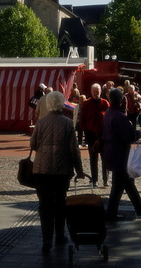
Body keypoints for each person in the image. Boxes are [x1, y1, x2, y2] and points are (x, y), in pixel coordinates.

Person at [30, 91, 86, 253]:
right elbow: (74, 150)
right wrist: (79, 170)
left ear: (48, 104)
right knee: (60, 203)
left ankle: (46, 238)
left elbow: (33, 144)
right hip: (62, 170)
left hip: (42, 169)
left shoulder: (41, 122)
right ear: (62, 104)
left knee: (45, 205)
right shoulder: (67, 123)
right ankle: (60, 234)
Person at [101, 87, 141, 221]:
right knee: (118, 186)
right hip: (120, 153)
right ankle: (110, 214)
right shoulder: (120, 116)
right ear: (121, 100)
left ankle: (139, 207)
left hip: (111, 151)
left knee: (127, 182)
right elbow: (129, 136)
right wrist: (140, 132)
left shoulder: (108, 113)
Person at [78, 83, 109, 188]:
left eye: (98, 91)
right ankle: (94, 180)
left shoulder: (105, 103)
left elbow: (109, 119)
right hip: (91, 135)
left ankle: (106, 180)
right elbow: (82, 120)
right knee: (93, 159)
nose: (96, 93)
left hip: (104, 136)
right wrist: (85, 130)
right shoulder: (86, 104)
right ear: (91, 92)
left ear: (101, 91)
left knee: (105, 159)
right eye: (94, 91)